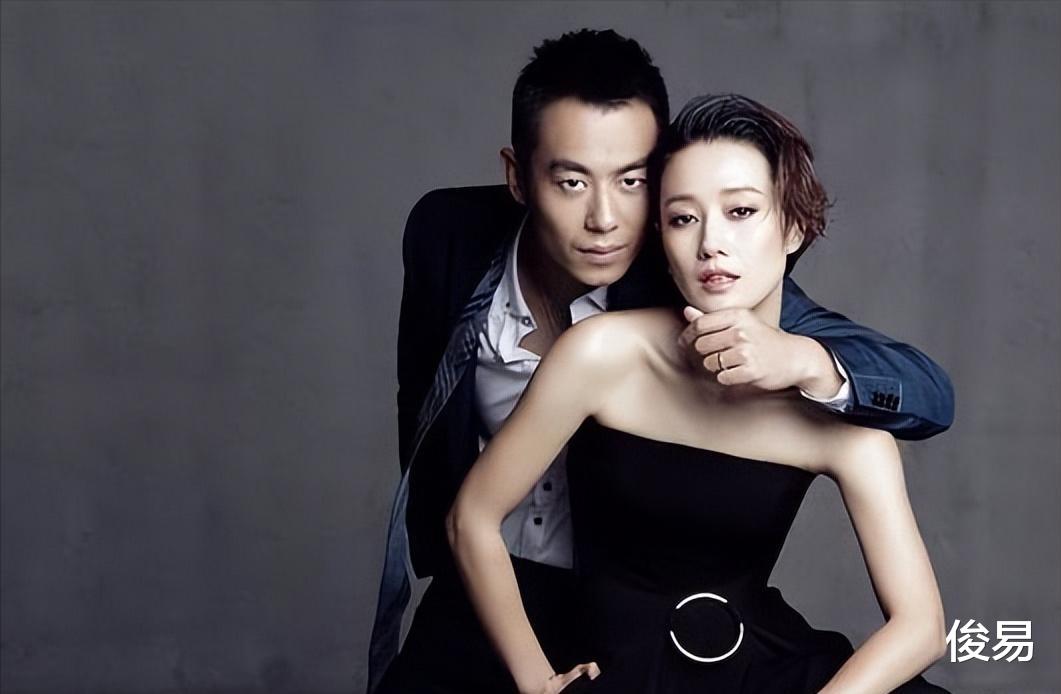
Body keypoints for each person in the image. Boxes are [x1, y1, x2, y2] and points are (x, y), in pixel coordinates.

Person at [368, 30, 954, 694]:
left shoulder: (755, 317)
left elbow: (921, 397)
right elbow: (426, 408)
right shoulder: (451, 238)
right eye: (571, 181)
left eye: (631, 182)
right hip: (502, 593)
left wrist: (811, 364)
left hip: (704, 643)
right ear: (519, 177)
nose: (604, 218)